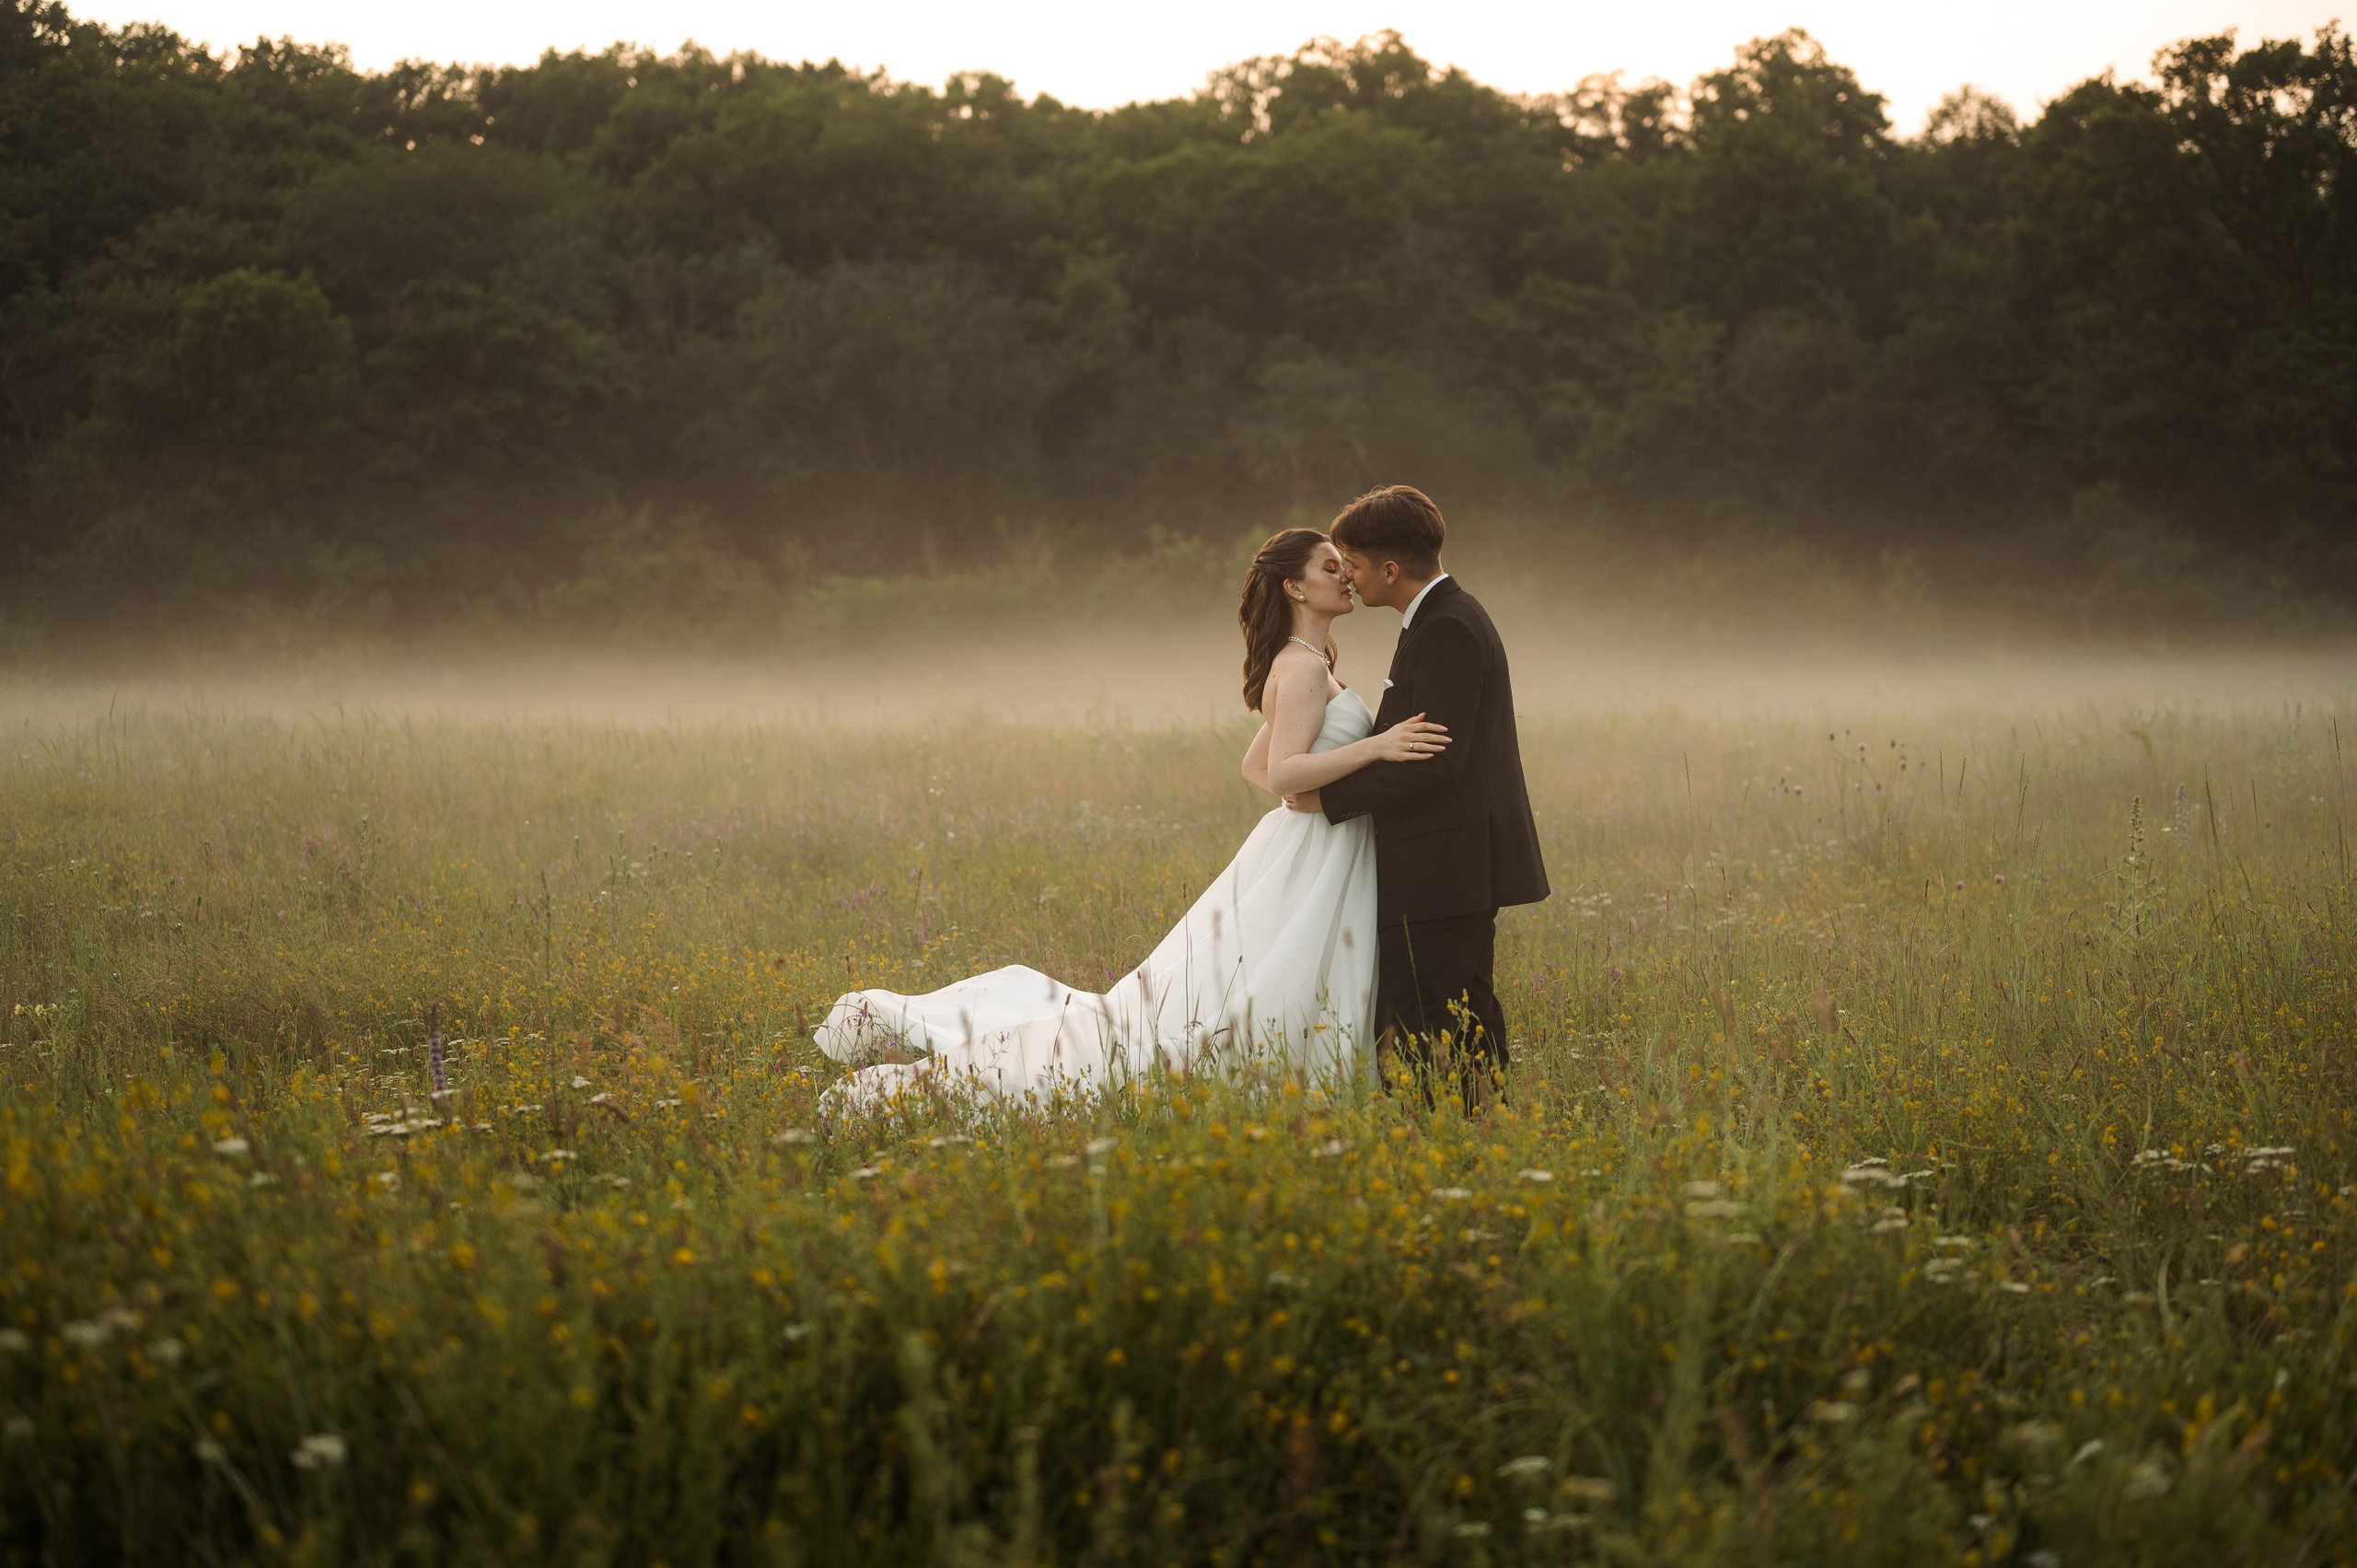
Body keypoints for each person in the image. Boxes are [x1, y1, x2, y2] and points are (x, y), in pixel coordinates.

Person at [812, 528, 1451, 1113]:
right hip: (1317, 852)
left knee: (1271, 978)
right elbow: (1282, 773)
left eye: (1346, 567)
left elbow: (1257, 766)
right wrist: (1376, 747)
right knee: (1274, 983)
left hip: (1314, 842)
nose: (1346, 576)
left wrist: (1315, 794)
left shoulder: (1306, 660)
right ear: (1294, 584)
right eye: (1330, 566)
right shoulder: (1305, 666)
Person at [1308, 485, 1549, 1104]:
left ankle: (1438, 1135)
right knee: (1467, 1013)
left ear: (1390, 569)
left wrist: (1329, 796)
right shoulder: (1441, 620)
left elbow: (1436, 764)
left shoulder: (1447, 629)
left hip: (1441, 866)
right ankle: (1481, 1129)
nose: (1352, 580)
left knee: (1423, 1019)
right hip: (1450, 863)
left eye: (1355, 565)